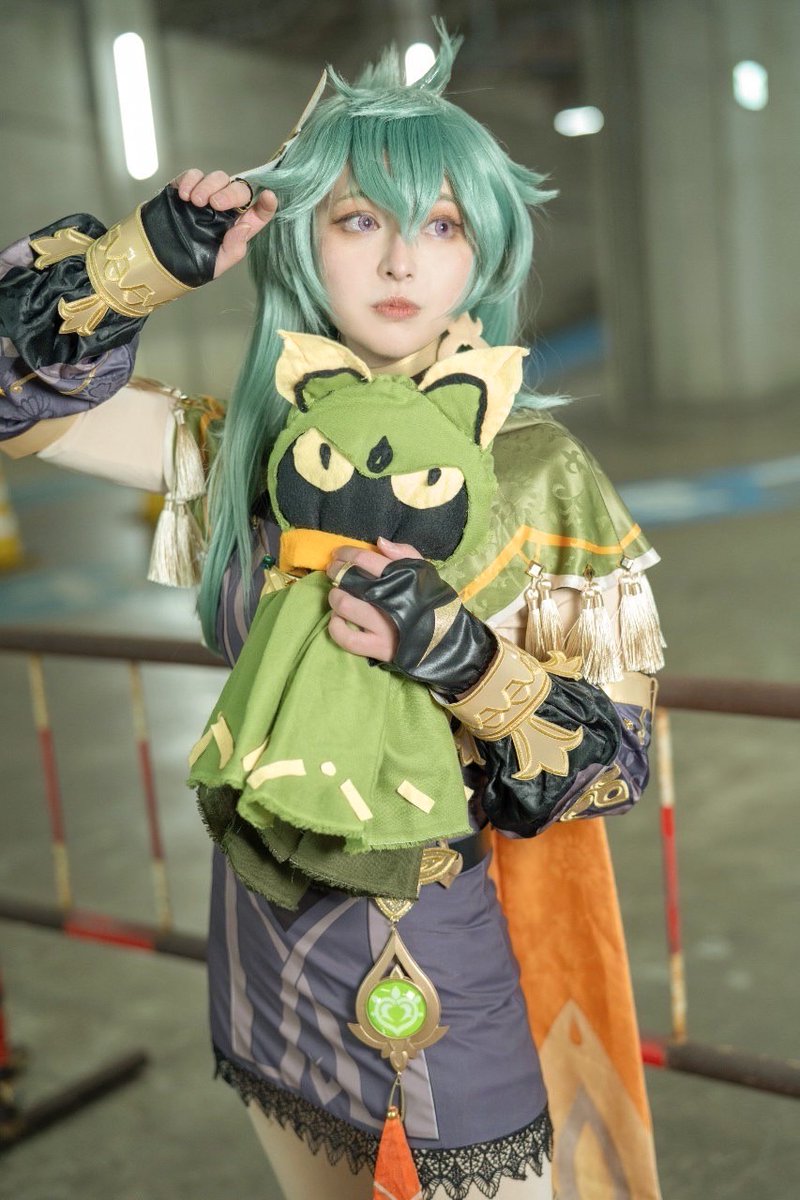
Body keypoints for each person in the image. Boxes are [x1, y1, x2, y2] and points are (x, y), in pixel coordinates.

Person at [0, 28, 665, 1200]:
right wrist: (139, 262)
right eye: (360, 219)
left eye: (441, 225)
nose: (402, 258)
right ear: (305, 238)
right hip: (261, 940)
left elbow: (612, 763)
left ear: (483, 250)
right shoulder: (242, 450)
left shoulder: (536, 472)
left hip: (439, 951)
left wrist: (461, 660)